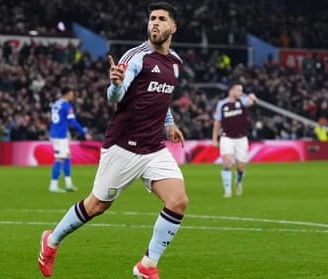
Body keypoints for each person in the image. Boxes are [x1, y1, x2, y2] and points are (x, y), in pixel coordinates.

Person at [38, 2, 188, 278]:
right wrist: (116, 84)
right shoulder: (136, 57)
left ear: (173, 27)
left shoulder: (175, 63)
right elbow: (114, 98)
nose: (154, 23)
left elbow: (161, 97)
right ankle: (52, 240)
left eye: (161, 19)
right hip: (124, 146)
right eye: (152, 18)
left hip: (153, 148)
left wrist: (169, 124)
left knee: (178, 201)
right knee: (97, 205)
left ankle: (147, 266)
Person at [212, 81, 258, 198]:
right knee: (227, 162)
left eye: (241, 90)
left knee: (241, 167)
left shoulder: (243, 101)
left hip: (241, 138)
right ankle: (227, 190)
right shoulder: (221, 104)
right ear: (231, 90)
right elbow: (217, 122)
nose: (240, 92)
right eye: (238, 90)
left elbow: (253, 103)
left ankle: (238, 182)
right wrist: (214, 139)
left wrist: (254, 98)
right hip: (227, 137)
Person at [48, 87, 91, 193]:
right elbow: (73, 121)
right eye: (71, 94)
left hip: (57, 133)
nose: (72, 96)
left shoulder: (56, 104)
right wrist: (84, 132)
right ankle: (53, 185)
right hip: (60, 136)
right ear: (67, 94)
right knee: (60, 159)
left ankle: (68, 184)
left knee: (67, 158)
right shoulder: (67, 106)